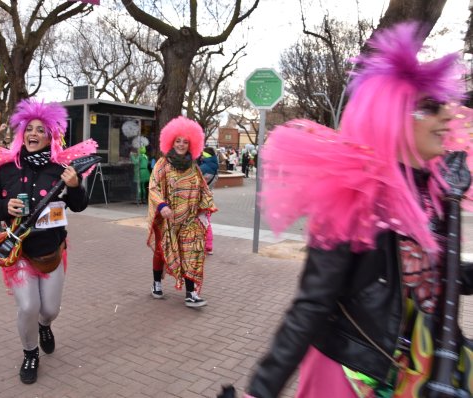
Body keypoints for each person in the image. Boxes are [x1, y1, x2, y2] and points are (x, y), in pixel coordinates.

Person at [237, 23, 473, 398]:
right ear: (391, 116)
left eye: (444, 103)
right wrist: (261, 390)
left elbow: (434, 276)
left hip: (424, 369)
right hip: (356, 374)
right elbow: (312, 304)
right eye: (429, 106)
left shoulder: (439, 189)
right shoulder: (353, 194)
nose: (447, 116)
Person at [0, 100, 94, 385]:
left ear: (50, 136)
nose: (33, 134)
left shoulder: (62, 169)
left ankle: (45, 326)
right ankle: (30, 354)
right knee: (28, 307)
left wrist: (74, 186)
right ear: (22, 133)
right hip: (18, 251)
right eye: (29, 128)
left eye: (40, 130)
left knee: (49, 310)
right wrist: (5, 206)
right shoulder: (7, 168)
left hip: (51, 251)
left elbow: (79, 206)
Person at [147, 116, 217, 307]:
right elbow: (153, 187)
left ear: (191, 144)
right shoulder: (163, 164)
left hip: (189, 220)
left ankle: (190, 293)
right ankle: (156, 283)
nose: (181, 145)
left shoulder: (194, 167)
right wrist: (162, 206)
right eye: (178, 141)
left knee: (191, 253)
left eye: (185, 142)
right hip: (167, 219)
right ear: (171, 141)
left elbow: (203, 189)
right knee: (162, 251)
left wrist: (204, 210)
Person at [199, 147, 219, 255]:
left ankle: (206, 246)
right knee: (207, 222)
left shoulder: (203, 167)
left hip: (201, 199)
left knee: (203, 222)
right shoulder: (215, 167)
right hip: (210, 198)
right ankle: (208, 246)